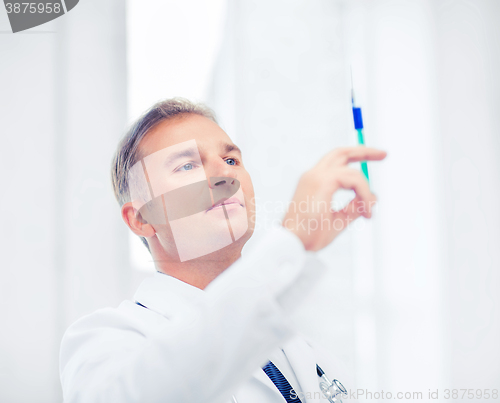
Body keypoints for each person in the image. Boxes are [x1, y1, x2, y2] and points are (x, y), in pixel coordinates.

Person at [59, 98, 386, 402]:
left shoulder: (307, 354)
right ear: (143, 219)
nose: (225, 173)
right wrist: (291, 240)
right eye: (187, 165)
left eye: (231, 159)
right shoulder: (105, 340)